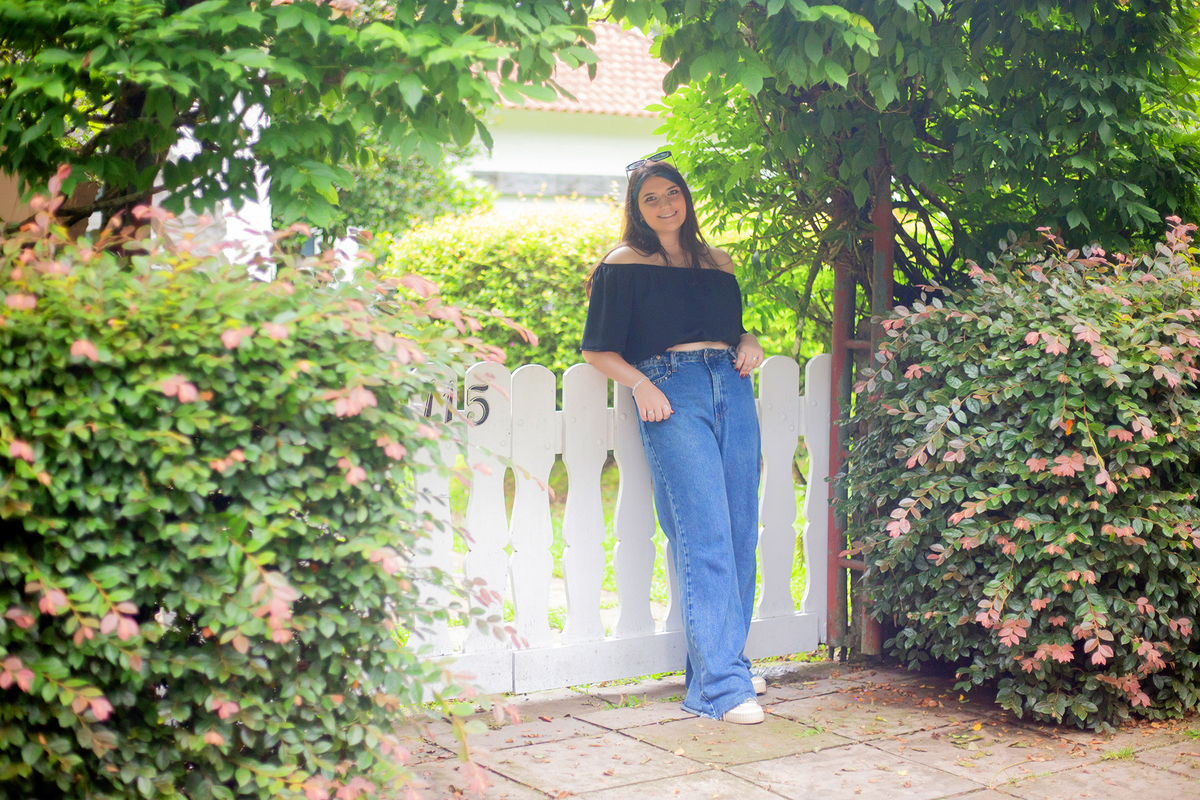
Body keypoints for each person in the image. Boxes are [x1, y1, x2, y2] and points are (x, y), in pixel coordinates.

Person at [580, 152, 766, 725]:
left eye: (671, 193)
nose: (664, 206)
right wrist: (640, 385)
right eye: (650, 198)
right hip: (670, 389)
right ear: (636, 209)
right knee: (703, 532)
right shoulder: (624, 263)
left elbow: (725, 329)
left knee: (739, 533)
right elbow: (596, 350)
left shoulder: (718, 261)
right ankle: (723, 689)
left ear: (686, 198)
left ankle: (721, 665)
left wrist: (751, 338)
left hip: (731, 388)